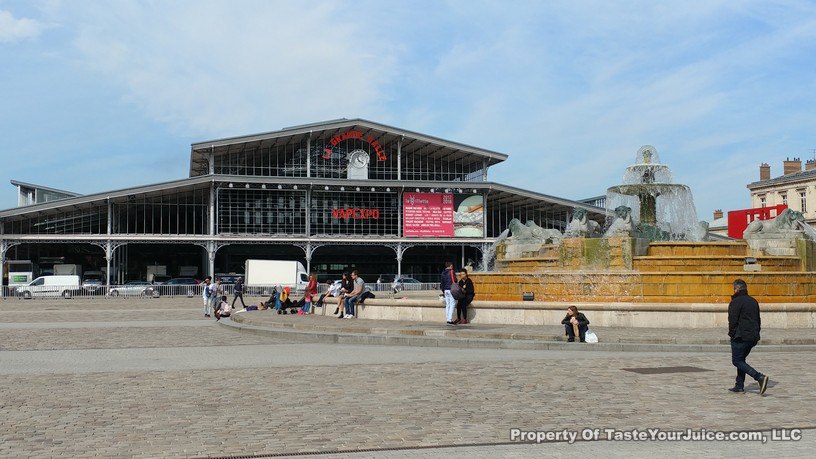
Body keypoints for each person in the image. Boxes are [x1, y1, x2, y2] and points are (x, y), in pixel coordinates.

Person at [728, 279, 770, 394]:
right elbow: (758, 319)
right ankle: (739, 385)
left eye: (734, 289)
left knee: (737, 361)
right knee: (741, 360)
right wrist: (757, 333)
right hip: (753, 336)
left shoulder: (736, 302)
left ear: (736, 289)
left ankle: (759, 377)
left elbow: (732, 320)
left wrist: (732, 334)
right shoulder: (753, 301)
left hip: (740, 336)